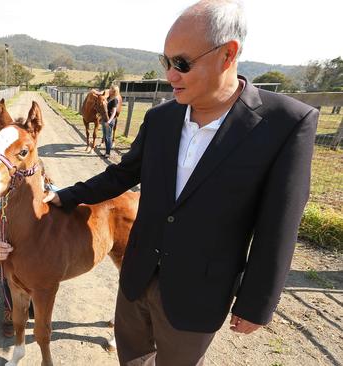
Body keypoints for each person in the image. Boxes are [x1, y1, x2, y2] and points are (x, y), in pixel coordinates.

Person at [44, 1, 318, 364]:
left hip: (199, 293)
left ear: (228, 53)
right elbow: (122, 175)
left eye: (182, 63)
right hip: (136, 277)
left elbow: (279, 224)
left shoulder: (286, 123)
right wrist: (62, 196)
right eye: (166, 62)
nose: (171, 75)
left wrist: (257, 302)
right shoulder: (161, 119)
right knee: (132, 358)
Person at [0, 158, 55, 337]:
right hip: (18, 254)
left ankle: (34, 300)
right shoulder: (10, 198)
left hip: (45, 255)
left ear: (43, 177)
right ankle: (11, 309)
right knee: (6, 266)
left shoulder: (55, 194)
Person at [101, 85, 121, 157]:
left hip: (109, 121)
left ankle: (108, 153)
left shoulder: (115, 100)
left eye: (111, 89)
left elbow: (114, 112)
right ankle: (106, 151)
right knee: (105, 136)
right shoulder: (108, 98)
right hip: (104, 120)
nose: (109, 90)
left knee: (108, 137)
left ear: (114, 91)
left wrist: (109, 121)